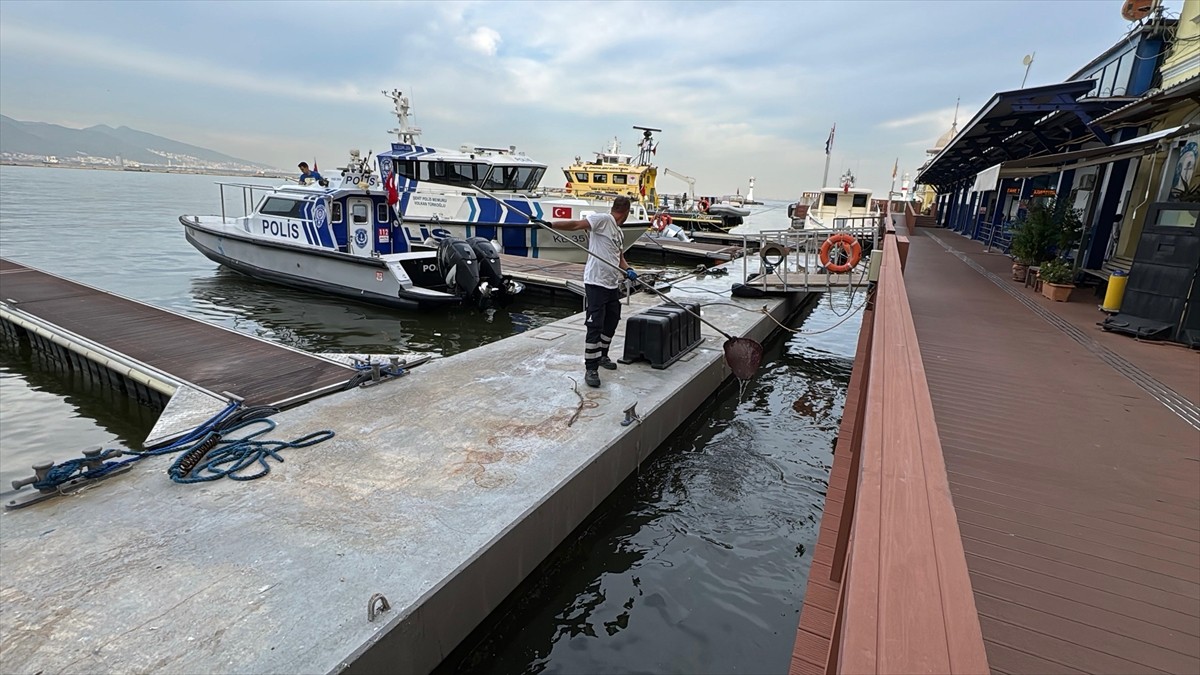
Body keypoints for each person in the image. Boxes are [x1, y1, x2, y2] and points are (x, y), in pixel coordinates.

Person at [548, 196, 637, 388]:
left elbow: (618, 256)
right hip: (596, 282)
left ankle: (603, 355)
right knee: (595, 325)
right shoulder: (603, 220)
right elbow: (575, 225)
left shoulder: (618, 232)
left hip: (611, 283)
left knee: (612, 319)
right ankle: (591, 367)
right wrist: (550, 224)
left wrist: (628, 269)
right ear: (627, 212)